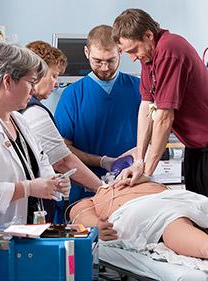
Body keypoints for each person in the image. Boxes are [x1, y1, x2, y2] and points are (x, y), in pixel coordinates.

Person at [0, 41, 70, 228]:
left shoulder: (19, 121)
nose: (33, 90)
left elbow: (40, 164)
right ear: (7, 81)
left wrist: (55, 183)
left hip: (27, 231)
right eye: (31, 82)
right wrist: (25, 188)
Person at [111, 9, 208, 195]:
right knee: (197, 212)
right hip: (195, 148)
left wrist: (147, 172)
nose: (132, 58)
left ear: (148, 35)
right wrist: (139, 160)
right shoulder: (149, 55)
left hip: (206, 145)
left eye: (133, 50)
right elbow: (146, 107)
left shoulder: (169, 50)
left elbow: (164, 117)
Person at [55, 25, 141, 203]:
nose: (104, 67)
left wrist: (137, 153)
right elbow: (64, 149)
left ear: (121, 51)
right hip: (86, 191)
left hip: (131, 185)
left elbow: (155, 136)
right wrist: (102, 161)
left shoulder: (139, 89)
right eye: (97, 61)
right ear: (86, 52)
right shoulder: (73, 95)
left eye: (111, 60)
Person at [21, 41, 102, 222]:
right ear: (37, 73)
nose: (56, 84)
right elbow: (63, 161)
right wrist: (103, 189)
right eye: (54, 76)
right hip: (30, 208)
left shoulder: (22, 109)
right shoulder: (33, 112)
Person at [70, 179, 208, 259]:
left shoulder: (141, 178)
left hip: (179, 198)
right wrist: (97, 226)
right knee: (173, 222)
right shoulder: (95, 199)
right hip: (140, 208)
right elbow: (78, 213)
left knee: (178, 217)